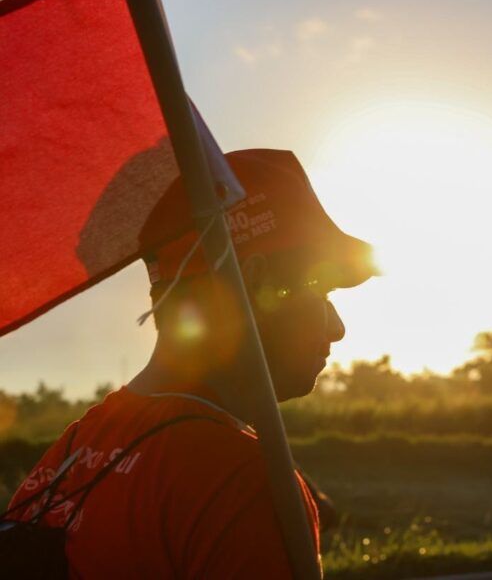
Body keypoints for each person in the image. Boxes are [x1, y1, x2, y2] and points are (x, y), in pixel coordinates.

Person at [7, 149, 377, 578]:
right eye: (323, 290)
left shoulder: (71, 452)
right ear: (254, 282)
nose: (337, 329)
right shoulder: (242, 482)